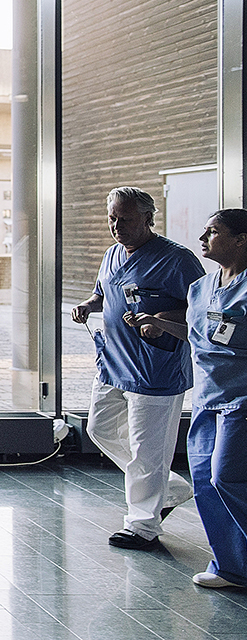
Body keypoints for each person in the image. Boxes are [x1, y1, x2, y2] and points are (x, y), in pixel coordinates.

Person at [70, 186, 204, 549]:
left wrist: (159, 318)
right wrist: (88, 305)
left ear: (148, 218)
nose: (117, 226)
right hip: (113, 361)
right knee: (99, 429)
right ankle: (170, 488)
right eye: (112, 218)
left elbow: (203, 311)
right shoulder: (112, 254)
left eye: (125, 219)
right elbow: (104, 293)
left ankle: (143, 525)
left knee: (148, 449)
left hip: (155, 366)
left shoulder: (178, 260)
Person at [126, 208, 247, 588]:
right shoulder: (202, 288)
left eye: (213, 232)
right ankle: (232, 566)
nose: (202, 238)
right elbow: (199, 336)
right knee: (206, 483)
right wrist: (161, 324)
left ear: (241, 240)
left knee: (228, 477)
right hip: (209, 397)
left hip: (242, 398)